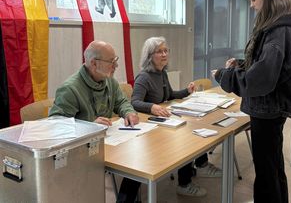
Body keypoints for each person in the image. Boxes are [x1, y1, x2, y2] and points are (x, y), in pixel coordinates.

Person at [212, 0, 291, 203]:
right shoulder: (282, 26)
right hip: (273, 107)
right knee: (273, 167)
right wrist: (241, 64)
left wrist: (225, 76)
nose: (251, 5)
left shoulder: (277, 30)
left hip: (267, 109)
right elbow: (268, 65)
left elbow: (260, 79)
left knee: (266, 173)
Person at [49, 40, 139, 202]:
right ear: (93, 63)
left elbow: (122, 102)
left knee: (138, 158)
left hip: (109, 143)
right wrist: (89, 126)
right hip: (81, 152)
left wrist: (128, 113)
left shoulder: (109, 81)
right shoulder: (70, 88)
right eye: (112, 62)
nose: (116, 66)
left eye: (115, 61)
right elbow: (56, 125)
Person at [130, 36, 220, 198]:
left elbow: (169, 95)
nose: (164, 54)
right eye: (159, 51)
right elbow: (134, 102)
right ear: (150, 55)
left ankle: (201, 164)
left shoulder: (162, 73)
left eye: (166, 51)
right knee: (185, 138)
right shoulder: (144, 77)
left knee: (193, 128)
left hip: (163, 121)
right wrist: (152, 107)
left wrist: (186, 91)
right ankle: (184, 183)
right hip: (149, 127)